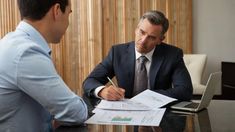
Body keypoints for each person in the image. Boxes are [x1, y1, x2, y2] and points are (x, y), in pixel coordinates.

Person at [0, 0, 87, 131]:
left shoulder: (11, 42)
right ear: (57, 10)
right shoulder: (26, 53)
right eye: (69, 14)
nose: (68, 23)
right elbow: (75, 112)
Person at [83, 10, 193, 101]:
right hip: (126, 114)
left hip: (158, 114)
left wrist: (148, 97)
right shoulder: (117, 53)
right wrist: (102, 91)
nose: (143, 40)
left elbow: (185, 90)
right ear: (136, 30)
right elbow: (89, 81)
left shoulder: (173, 55)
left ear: (160, 40)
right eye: (142, 32)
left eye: (151, 37)